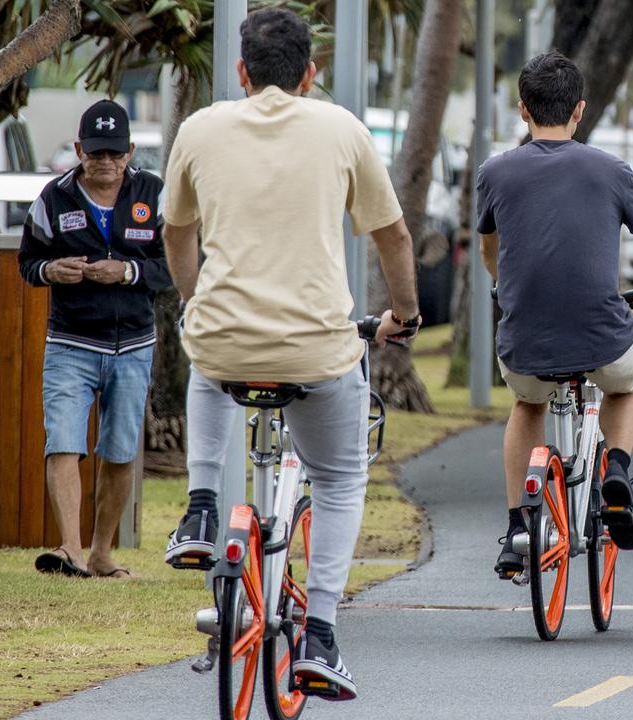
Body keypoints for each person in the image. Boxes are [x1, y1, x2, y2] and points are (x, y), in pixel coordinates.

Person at [160, 8, 419, 701]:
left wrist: (195, 298)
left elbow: (176, 234)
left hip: (225, 341)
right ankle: (323, 635)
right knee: (338, 478)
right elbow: (392, 237)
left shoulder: (199, 130)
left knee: (209, 361)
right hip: (318, 349)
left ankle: (202, 507)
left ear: (241, 73)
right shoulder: (342, 129)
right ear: (312, 73)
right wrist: (407, 314)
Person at [478, 52, 633, 576]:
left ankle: (515, 529)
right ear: (579, 111)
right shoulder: (610, 170)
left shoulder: (495, 171)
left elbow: (490, 248)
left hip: (524, 341)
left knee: (527, 404)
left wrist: (504, 286)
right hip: (601, 338)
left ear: (524, 110)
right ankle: (615, 470)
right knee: (628, 381)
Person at [18, 99, 170, 578]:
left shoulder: (154, 194)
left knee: (121, 450)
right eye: (96, 153)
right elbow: (27, 263)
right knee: (62, 441)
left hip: (133, 345)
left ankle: (102, 552)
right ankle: (71, 549)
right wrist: (51, 270)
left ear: (129, 152)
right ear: (79, 150)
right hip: (71, 343)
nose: (105, 163)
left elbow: (174, 268)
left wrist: (127, 271)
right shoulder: (53, 198)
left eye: (115, 153)